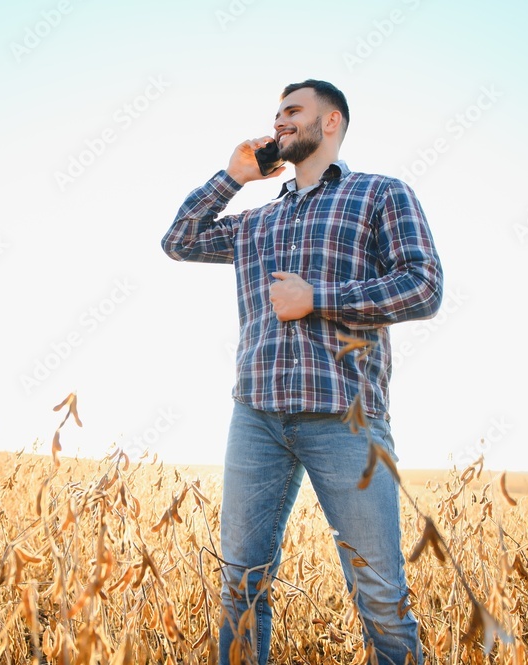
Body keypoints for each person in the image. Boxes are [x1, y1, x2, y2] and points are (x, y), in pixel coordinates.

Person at [161, 79, 442, 665]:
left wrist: (319, 297)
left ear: (331, 122)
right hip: (256, 416)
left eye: (294, 111)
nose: (280, 120)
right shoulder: (255, 222)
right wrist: (233, 176)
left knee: (380, 593)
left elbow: (423, 286)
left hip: (346, 416)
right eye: (277, 112)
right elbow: (179, 241)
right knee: (241, 583)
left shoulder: (379, 195)